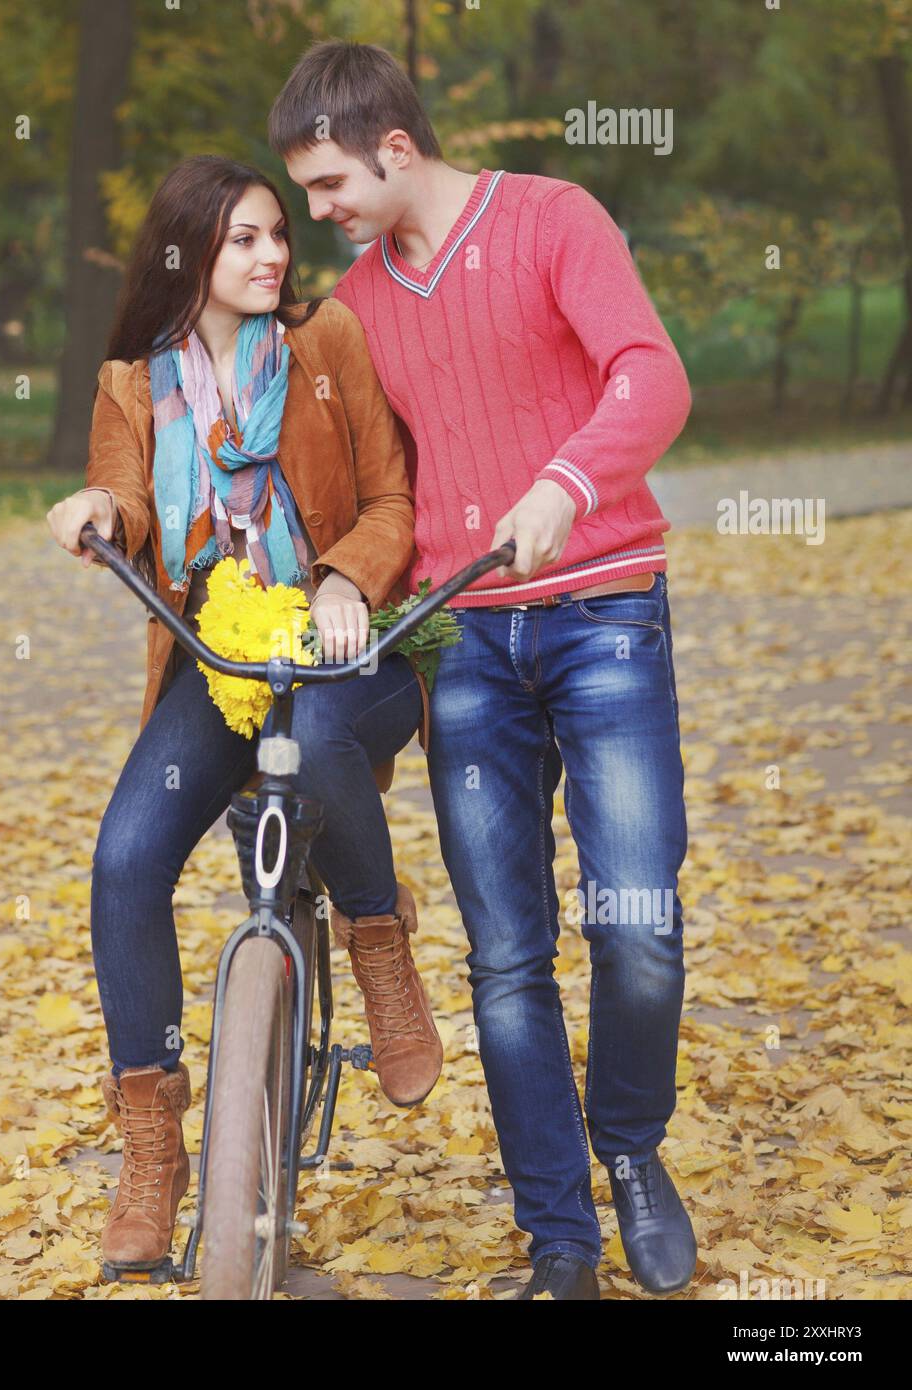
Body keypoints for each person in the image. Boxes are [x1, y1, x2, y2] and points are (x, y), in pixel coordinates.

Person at [270, 41, 697, 1301]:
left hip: (604, 607)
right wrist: (344, 576)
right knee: (507, 956)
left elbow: (652, 374)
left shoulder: (555, 221)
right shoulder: (356, 307)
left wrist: (569, 483)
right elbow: (376, 487)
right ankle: (558, 1239)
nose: (321, 211)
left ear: (395, 149)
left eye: (333, 182)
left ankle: (629, 1151)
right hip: (462, 639)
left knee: (641, 925)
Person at [46, 155, 444, 1277]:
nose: (274, 255)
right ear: (189, 255)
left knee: (315, 736)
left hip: (341, 653)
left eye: (279, 234)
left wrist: (341, 581)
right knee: (125, 859)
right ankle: (153, 1152)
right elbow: (128, 504)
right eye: (245, 240)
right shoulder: (133, 385)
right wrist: (93, 511)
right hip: (218, 665)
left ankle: (378, 943)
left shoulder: (327, 349)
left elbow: (391, 497)